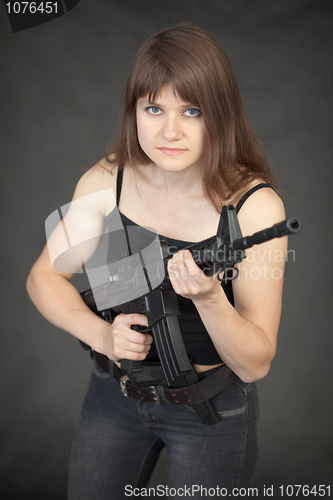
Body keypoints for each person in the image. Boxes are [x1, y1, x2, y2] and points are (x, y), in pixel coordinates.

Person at [27, 22, 287, 499]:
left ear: (220, 115)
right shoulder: (109, 180)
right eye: (154, 108)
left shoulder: (255, 208)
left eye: (192, 110)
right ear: (134, 112)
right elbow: (44, 278)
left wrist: (210, 298)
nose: (170, 131)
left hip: (211, 411)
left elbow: (255, 365)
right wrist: (102, 335)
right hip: (115, 398)